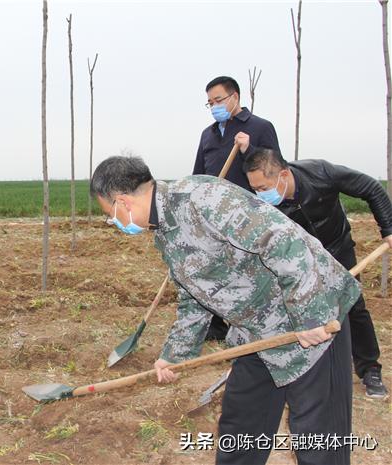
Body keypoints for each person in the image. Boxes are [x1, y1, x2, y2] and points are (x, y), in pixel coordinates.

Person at [91, 156, 360, 465]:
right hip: (258, 331)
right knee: (241, 425)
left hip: (311, 319)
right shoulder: (165, 231)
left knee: (317, 437)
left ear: (122, 203)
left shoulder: (203, 199)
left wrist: (310, 313)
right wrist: (176, 354)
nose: (115, 224)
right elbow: (196, 295)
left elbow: (283, 241)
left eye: (110, 216)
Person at [244, 148, 392, 398]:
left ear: (283, 174)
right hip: (301, 260)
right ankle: (302, 370)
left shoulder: (321, 173)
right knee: (298, 312)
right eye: (255, 189)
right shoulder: (264, 208)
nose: (260, 195)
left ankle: (369, 369)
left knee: (354, 306)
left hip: (338, 248)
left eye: (263, 187)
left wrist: (388, 228)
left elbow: (371, 188)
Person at [193, 75, 282, 341]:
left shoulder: (260, 127)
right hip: (215, 215)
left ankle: (250, 324)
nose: (214, 106)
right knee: (218, 269)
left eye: (218, 100)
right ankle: (218, 324)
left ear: (235, 97)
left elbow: (275, 168)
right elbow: (199, 173)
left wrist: (249, 149)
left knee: (248, 270)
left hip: (248, 214)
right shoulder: (207, 135)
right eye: (209, 103)